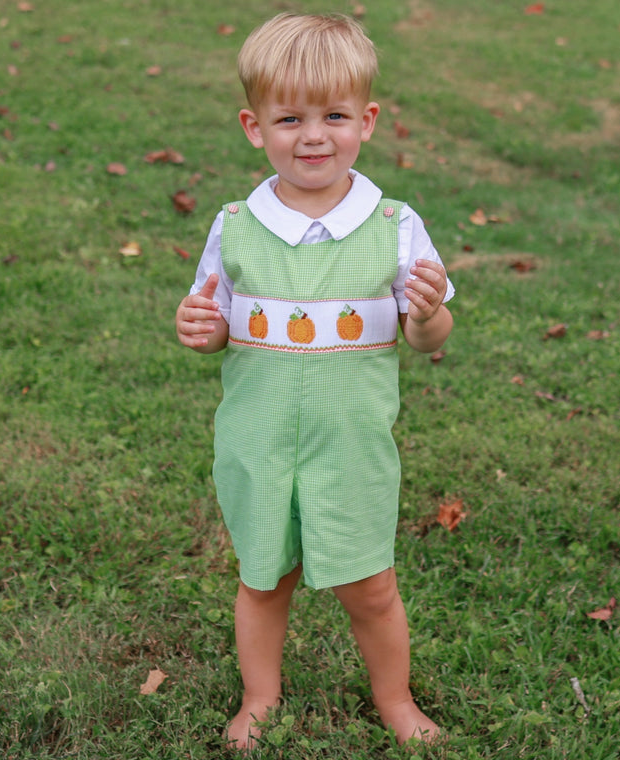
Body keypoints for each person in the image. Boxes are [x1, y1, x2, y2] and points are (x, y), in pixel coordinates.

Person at [175, 12, 455, 752]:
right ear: (253, 126)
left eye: (334, 116)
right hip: (258, 441)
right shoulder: (235, 223)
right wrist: (202, 331)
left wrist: (427, 316)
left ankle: (394, 698)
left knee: (369, 585)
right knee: (264, 579)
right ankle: (260, 697)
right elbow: (217, 323)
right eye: (289, 117)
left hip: (352, 444)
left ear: (366, 120)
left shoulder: (394, 224)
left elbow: (428, 338)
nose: (312, 135)